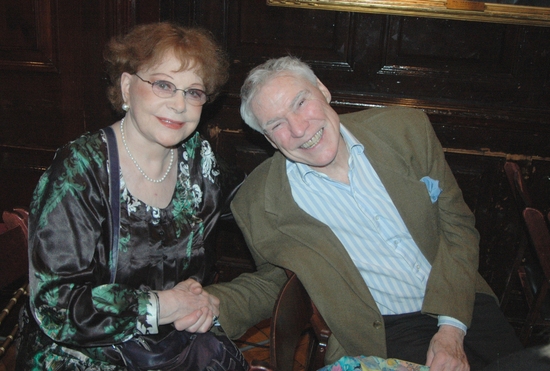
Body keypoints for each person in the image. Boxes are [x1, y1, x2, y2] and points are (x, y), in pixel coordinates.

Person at [205, 56, 523, 371]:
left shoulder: (406, 132)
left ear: (323, 90)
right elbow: (279, 282)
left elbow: (459, 228)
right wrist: (213, 305)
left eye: (301, 103)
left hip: (460, 298)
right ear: (267, 138)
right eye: (276, 124)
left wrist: (451, 329)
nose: (299, 129)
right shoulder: (257, 202)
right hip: (383, 330)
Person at [16, 22, 248, 370]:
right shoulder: (81, 169)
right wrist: (161, 305)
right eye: (163, 85)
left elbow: (251, 198)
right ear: (127, 87)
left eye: (193, 92)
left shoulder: (198, 157)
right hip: (80, 354)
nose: (179, 104)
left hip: (168, 346)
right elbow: (56, 305)